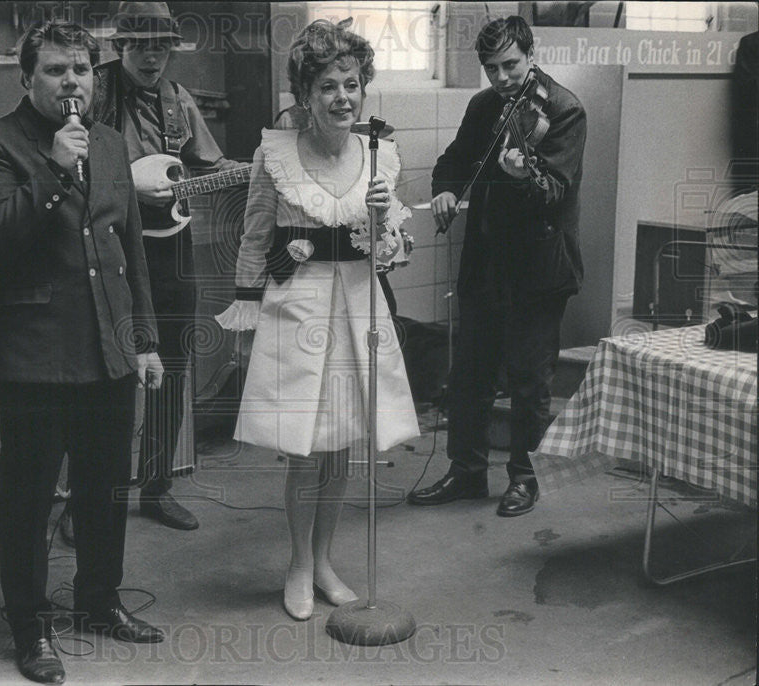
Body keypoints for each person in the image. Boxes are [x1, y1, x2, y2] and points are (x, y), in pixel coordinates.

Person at [0, 20, 165, 684]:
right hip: (34, 357)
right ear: (26, 78)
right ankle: (30, 626)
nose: (71, 81)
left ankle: (99, 601)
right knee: (29, 500)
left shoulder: (108, 144)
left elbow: (129, 252)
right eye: (55, 70)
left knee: (106, 491)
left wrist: (145, 340)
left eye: (80, 68)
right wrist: (52, 165)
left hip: (107, 349)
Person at [216, 18, 419, 621]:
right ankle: (299, 564)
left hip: (360, 313)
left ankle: (326, 561)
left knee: (342, 450)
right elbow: (254, 240)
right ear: (304, 95)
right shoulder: (273, 156)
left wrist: (386, 224)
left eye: (352, 85)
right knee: (306, 452)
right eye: (328, 86)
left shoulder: (380, 156)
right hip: (297, 313)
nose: (343, 98)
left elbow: (397, 253)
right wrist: (246, 324)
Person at [407, 16, 586, 517]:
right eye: (492, 69)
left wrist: (522, 174)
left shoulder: (565, 110)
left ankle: (525, 478)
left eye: (511, 65)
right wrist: (445, 187)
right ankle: (466, 472)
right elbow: (455, 159)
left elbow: (554, 192)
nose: (503, 78)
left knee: (529, 380)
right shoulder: (484, 106)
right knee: (469, 374)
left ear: (531, 54)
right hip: (486, 263)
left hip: (539, 268)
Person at [91, 1, 238, 531]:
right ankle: (93, 498)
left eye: (162, 45)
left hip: (169, 248)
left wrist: (256, 170)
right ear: (120, 45)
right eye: (141, 44)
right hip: (104, 247)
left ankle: (156, 486)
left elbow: (209, 164)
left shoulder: (179, 100)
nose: (153, 56)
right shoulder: (93, 91)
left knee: (171, 369)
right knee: (103, 372)